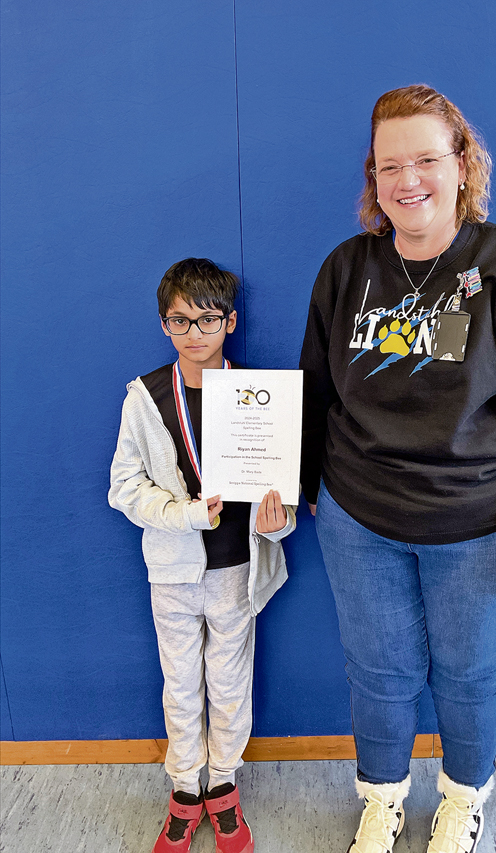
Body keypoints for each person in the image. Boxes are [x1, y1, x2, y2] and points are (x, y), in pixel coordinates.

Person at [299, 85, 496, 853]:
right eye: (389, 165)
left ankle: (462, 798)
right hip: (359, 521)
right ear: (373, 176)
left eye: (426, 159)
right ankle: (383, 798)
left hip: (478, 529)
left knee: (467, 676)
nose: (408, 180)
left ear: (462, 164)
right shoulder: (347, 268)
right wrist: (302, 485)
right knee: (377, 672)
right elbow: (315, 389)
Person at [109, 258, 295, 853]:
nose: (195, 333)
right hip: (172, 568)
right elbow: (123, 488)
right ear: (164, 324)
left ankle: (224, 783)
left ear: (229, 322)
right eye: (180, 321)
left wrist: (278, 523)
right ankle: (185, 787)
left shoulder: (259, 395)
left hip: (237, 566)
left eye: (208, 319)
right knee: (181, 682)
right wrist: (185, 514)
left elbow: (281, 489)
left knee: (231, 680)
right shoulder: (145, 397)